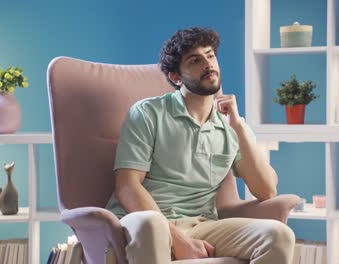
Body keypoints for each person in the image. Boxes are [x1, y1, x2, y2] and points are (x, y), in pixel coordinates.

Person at [106, 27, 295, 264]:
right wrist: (176, 239)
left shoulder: (231, 126)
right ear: (176, 77)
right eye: (196, 60)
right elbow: (127, 187)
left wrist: (236, 125)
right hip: (143, 222)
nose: (208, 64)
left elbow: (266, 190)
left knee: (279, 235)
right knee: (152, 224)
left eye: (211, 55)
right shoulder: (147, 113)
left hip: (200, 225)